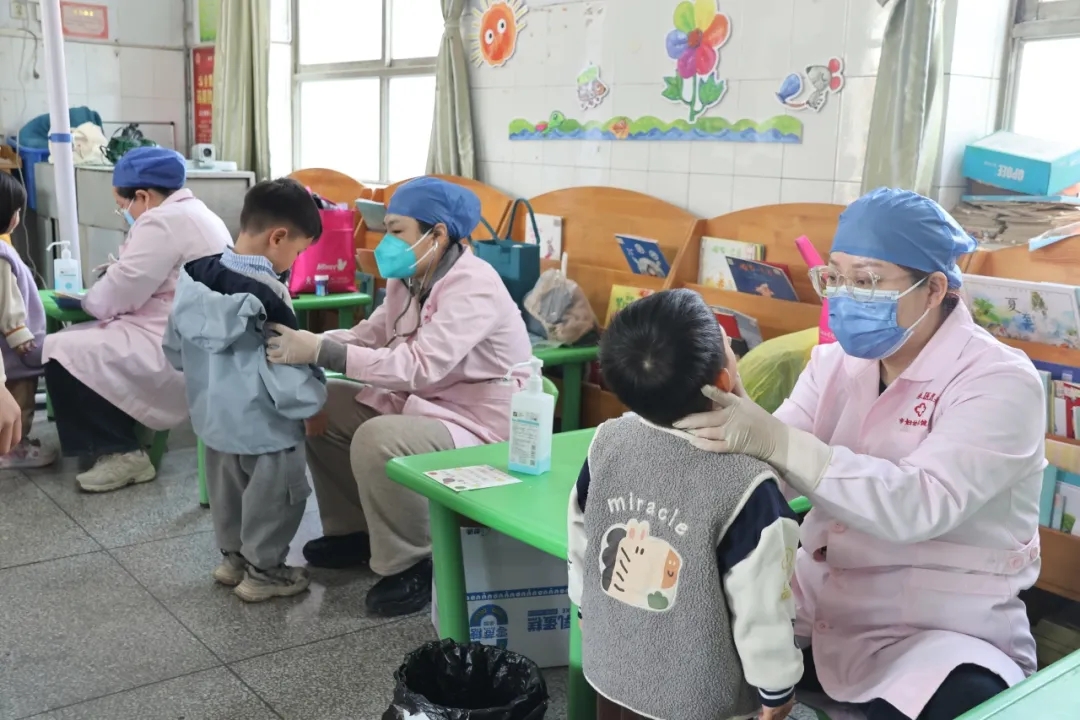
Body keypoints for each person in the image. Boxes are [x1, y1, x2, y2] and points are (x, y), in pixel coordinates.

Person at [675, 188, 1043, 720]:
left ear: (934, 288)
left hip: (940, 625)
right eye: (836, 276)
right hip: (821, 602)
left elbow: (916, 505)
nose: (844, 295)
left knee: (948, 703)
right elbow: (768, 472)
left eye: (867, 280)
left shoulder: (999, 382)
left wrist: (776, 440)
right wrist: (727, 414)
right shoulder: (832, 364)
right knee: (678, 644)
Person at [265, 176, 532, 617]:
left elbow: (419, 366)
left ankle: (414, 561)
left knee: (380, 438)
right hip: (430, 405)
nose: (385, 241)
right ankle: (354, 531)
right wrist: (306, 342)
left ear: (437, 233)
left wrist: (321, 351)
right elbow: (371, 334)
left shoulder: (475, 286)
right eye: (385, 228)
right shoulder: (411, 277)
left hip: (481, 423)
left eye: (396, 230)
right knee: (323, 401)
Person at [567, 289, 802, 720]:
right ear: (724, 382)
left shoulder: (607, 441)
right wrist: (777, 686)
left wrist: (584, 604)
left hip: (613, 667)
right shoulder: (747, 484)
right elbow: (762, 603)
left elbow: (583, 533)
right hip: (699, 697)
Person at [163, 178, 327, 602]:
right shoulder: (269, 293)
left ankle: (233, 561)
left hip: (214, 418)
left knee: (228, 494)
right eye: (299, 250)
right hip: (266, 425)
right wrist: (312, 404)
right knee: (274, 499)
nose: (296, 260)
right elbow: (288, 362)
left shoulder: (194, 273)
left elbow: (174, 348)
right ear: (278, 237)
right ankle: (264, 573)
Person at [43, 146, 232, 492]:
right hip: (200, 336)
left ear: (142, 196)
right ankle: (122, 434)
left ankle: (121, 452)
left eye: (122, 205)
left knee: (60, 350)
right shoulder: (199, 213)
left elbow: (120, 291)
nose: (124, 213)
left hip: (173, 342)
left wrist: (87, 300)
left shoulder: (161, 221)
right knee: (83, 343)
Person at [0, 172, 53, 468]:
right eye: (17, 211)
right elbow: (6, 302)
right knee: (20, 401)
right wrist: (19, 335)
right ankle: (12, 448)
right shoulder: (1, 256)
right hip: (14, 352)